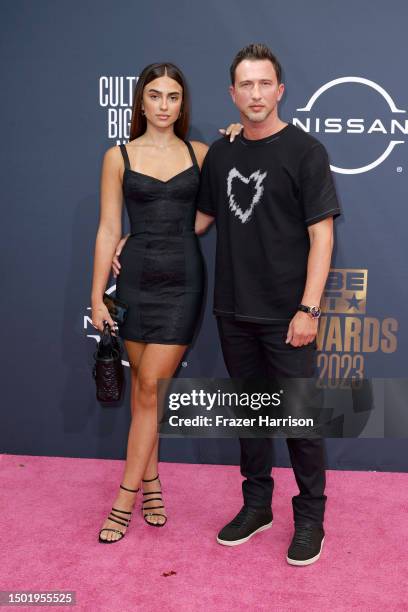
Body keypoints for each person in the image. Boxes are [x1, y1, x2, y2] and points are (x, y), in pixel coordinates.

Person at [194, 44, 341, 566]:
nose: (255, 95)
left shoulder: (306, 151)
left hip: (288, 314)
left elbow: (321, 237)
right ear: (232, 94)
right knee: (251, 420)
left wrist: (309, 309)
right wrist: (137, 240)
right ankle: (257, 506)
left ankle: (311, 520)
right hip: (233, 310)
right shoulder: (222, 153)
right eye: (245, 85)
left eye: (264, 84)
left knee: (301, 422)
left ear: (280, 90)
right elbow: (200, 220)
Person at [91, 61, 241, 543]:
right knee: (144, 397)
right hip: (134, 281)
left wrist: (237, 136)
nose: (163, 105)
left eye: (172, 96)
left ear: (182, 103)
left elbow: (207, 216)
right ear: (140, 101)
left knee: (152, 392)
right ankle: (153, 481)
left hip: (182, 283)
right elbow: (108, 228)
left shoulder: (201, 153)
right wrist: (97, 295)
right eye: (154, 95)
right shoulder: (118, 155)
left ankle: (123, 499)